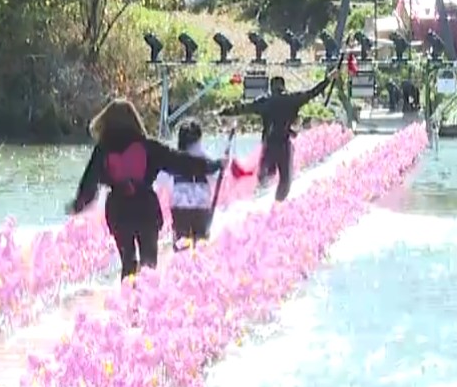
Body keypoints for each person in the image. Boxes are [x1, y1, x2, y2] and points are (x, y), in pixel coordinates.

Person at [68, 99, 223, 280]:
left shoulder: (102, 150)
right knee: (149, 263)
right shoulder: (149, 147)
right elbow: (180, 162)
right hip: (146, 210)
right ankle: (146, 301)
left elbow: (90, 182)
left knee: (128, 262)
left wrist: (78, 205)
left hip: (119, 212)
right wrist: (212, 165)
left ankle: (127, 301)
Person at [217, 68, 334, 202]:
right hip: (284, 145)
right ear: (283, 87)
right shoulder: (292, 100)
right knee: (285, 181)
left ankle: (261, 198)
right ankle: (278, 203)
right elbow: (312, 93)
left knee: (264, 176)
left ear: (271, 88)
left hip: (269, 145)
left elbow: (244, 108)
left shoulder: (265, 102)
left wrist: (225, 112)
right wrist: (328, 80)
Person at [167, 122, 217, 249]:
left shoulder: (173, 158)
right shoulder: (205, 159)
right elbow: (214, 179)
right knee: (200, 243)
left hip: (179, 210)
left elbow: (164, 182)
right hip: (201, 210)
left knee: (182, 243)